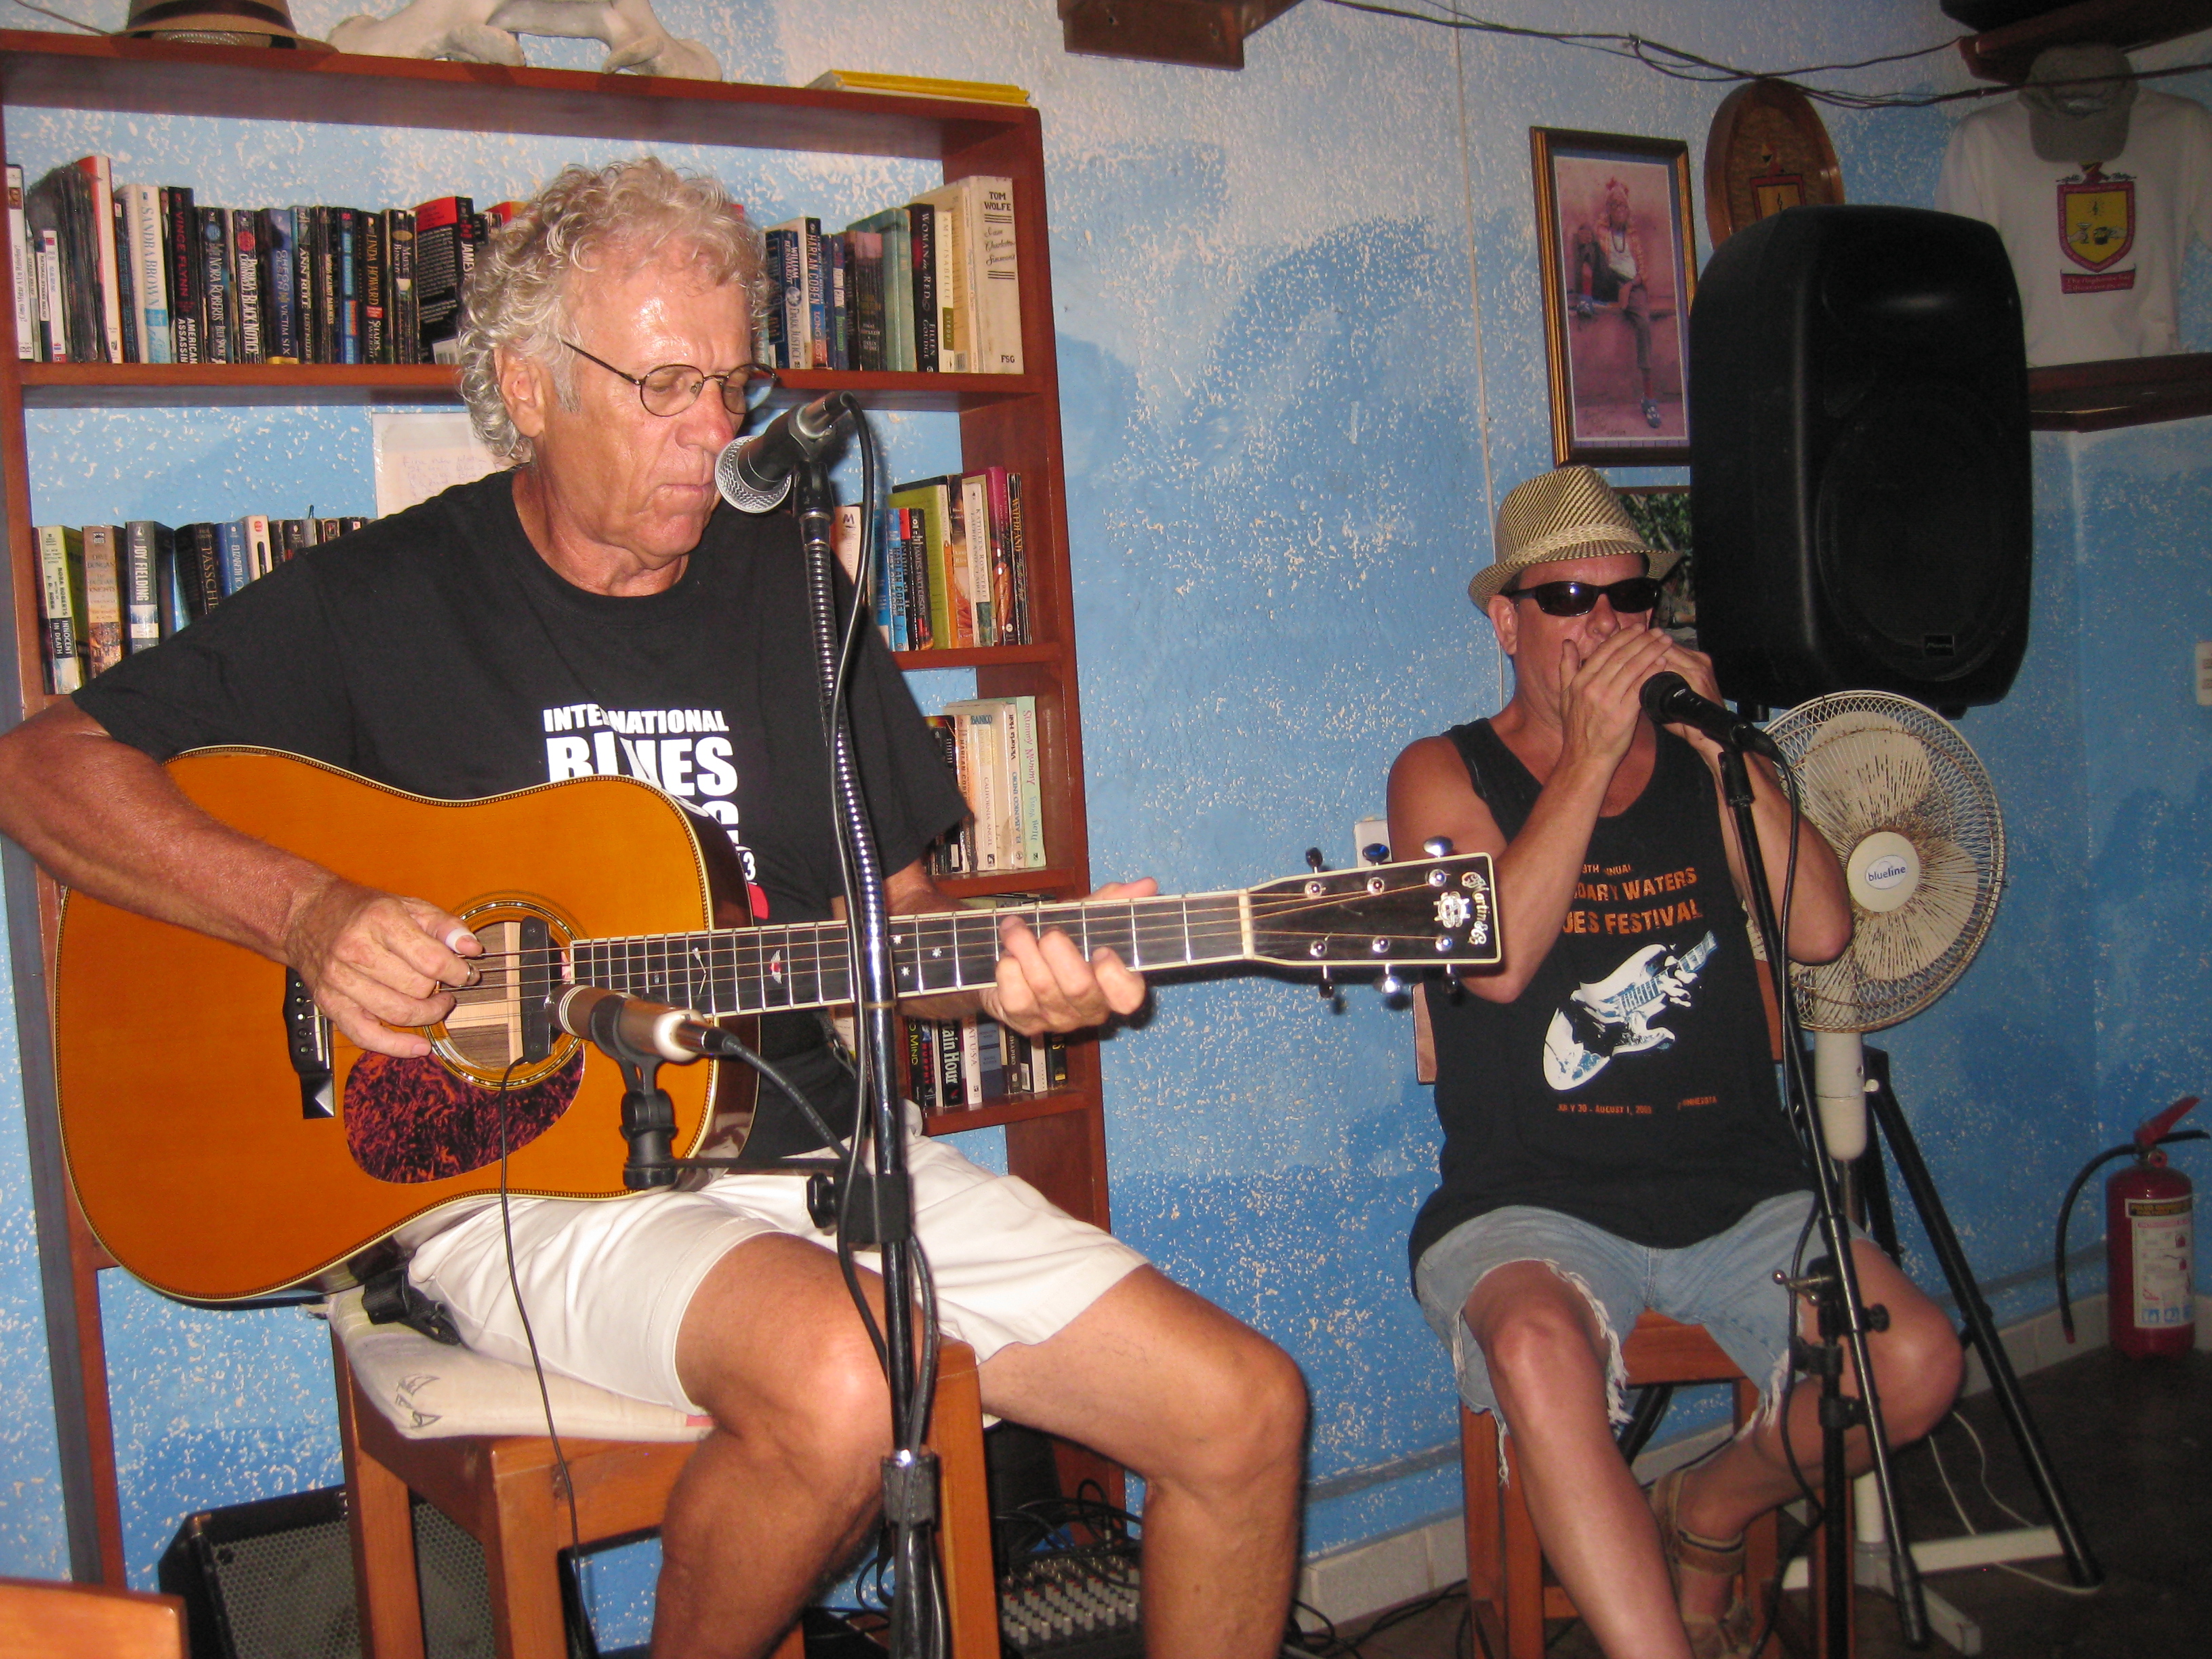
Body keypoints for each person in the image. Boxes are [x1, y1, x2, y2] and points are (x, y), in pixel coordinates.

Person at [0, 159, 1305, 1659]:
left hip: (810, 1145)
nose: (714, 433)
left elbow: (904, 922)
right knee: (842, 1375)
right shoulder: (383, 598)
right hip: (516, 1179)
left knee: (1242, 1411)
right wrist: (305, 911)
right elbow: (42, 768)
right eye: (664, 386)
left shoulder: (792, 586)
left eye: (731, 384)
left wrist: (1019, 980)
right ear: (527, 386)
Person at [1386, 466, 1961, 1659]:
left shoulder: (1706, 757)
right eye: (1566, 599)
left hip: (1734, 1181)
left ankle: (1707, 1504)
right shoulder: (1440, 771)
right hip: (1526, 1194)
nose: (1602, 624)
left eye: (1628, 598)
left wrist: (1718, 753)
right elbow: (1498, 967)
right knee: (1535, 1349)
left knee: (1914, 1364)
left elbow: (1821, 930)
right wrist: (1587, 761)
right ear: (1506, 623)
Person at [1570, 179, 1663, 430]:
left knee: (1644, 324)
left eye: (1623, 206)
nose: (1619, 209)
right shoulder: (1603, 230)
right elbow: (1594, 252)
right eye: (1614, 205)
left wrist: (1629, 286)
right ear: (1609, 209)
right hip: (1608, 282)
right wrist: (1584, 236)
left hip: (1631, 286)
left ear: (1628, 210)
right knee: (1588, 241)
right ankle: (1586, 299)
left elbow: (1644, 272)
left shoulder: (1633, 237)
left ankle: (1649, 398)